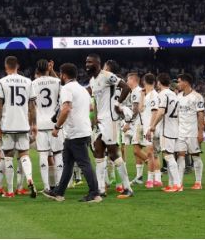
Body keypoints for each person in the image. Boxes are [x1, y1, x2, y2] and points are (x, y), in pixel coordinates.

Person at [44, 63, 101, 203]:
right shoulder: (82, 89)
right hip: (81, 130)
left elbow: (66, 109)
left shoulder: (67, 89)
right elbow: (91, 107)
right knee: (68, 163)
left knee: (84, 163)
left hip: (76, 131)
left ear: (63, 75)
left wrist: (57, 126)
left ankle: (95, 193)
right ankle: (59, 192)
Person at [85, 54, 133, 198]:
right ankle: (100, 189)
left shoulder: (107, 76)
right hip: (100, 121)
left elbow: (126, 87)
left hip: (111, 120)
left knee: (113, 153)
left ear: (97, 63)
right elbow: (96, 101)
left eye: (90, 62)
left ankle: (128, 188)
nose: (87, 64)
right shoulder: (92, 80)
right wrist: (94, 120)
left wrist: (118, 104)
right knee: (98, 153)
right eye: (86, 62)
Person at [0, 55, 37, 198]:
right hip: (23, 124)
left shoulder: (1, 82)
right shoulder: (28, 81)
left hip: (8, 124)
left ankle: (10, 191)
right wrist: (33, 124)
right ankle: (29, 178)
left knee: (9, 157)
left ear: (6, 67)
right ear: (18, 66)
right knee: (24, 154)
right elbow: (32, 107)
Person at [30, 59, 63, 196]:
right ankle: (60, 186)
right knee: (58, 154)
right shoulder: (57, 82)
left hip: (40, 123)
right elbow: (63, 101)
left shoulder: (33, 83)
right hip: (55, 123)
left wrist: (33, 124)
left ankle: (47, 187)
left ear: (37, 70)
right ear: (48, 69)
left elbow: (31, 106)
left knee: (43, 154)